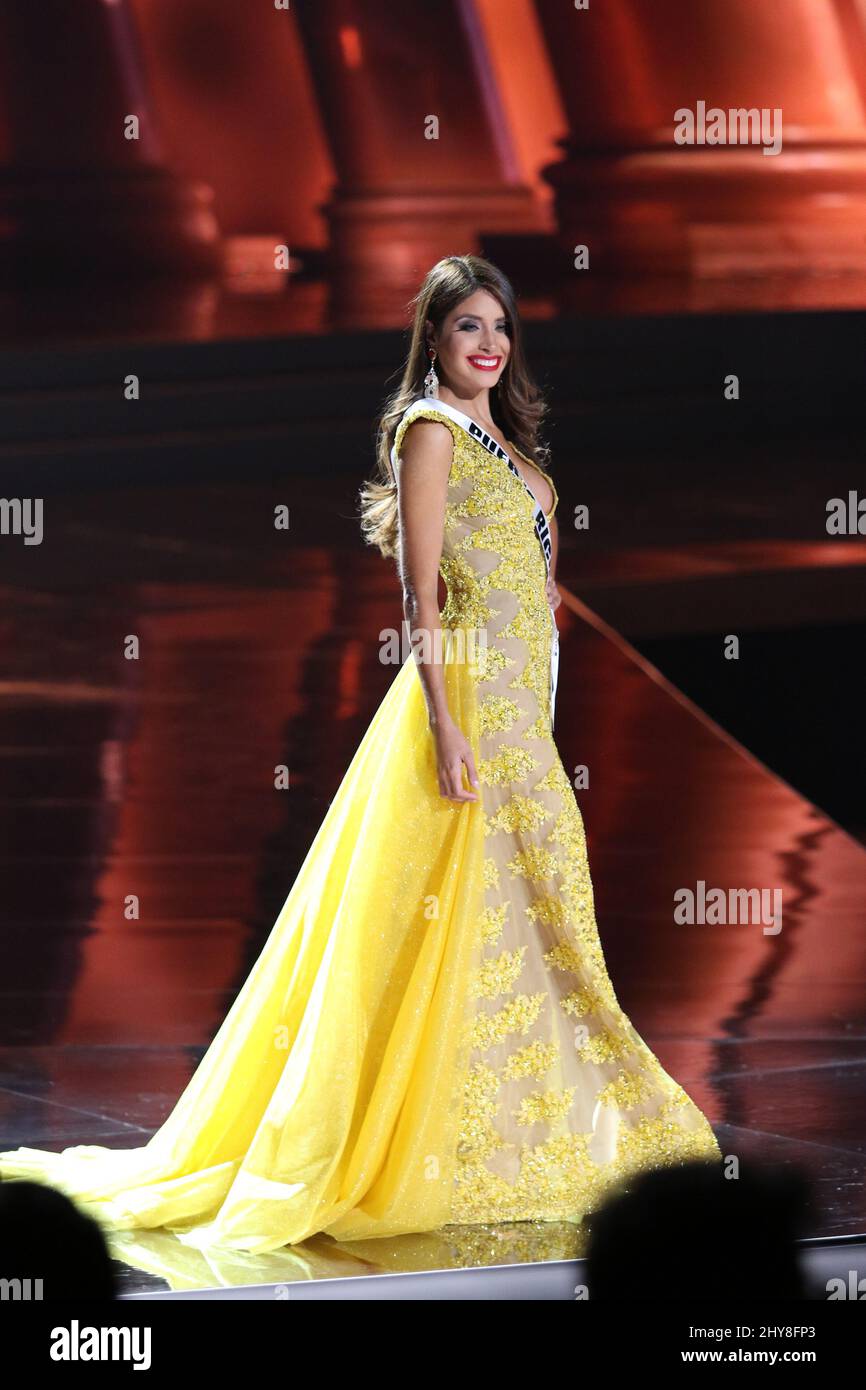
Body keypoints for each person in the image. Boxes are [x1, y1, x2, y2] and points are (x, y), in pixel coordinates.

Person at [0, 255, 721, 1254]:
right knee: (449, 920)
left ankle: (498, 1134)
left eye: (498, 326)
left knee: (529, 919)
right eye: (466, 326)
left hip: (521, 712)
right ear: (433, 337)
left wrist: (534, 713)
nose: (486, 343)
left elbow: (539, 593)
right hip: (464, 700)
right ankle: (403, 1145)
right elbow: (419, 595)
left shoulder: (508, 445)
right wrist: (447, 723)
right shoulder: (430, 432)